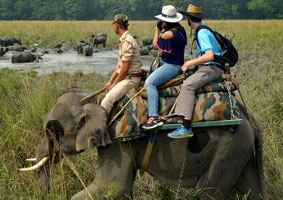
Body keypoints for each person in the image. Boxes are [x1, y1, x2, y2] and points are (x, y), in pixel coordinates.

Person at [167, 4, 223, 139]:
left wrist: (189, 63)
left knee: (188, 85)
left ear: (188, 18)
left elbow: (209, 56)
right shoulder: (200, 30)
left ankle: (186, 126)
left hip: (211, 68)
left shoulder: (202, 32)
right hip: (207, 67)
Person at [142, 5, 187, 130]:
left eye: (163, 20)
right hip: (176, 62)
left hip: (172, 65)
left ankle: (154, 117)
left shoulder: (168, 34)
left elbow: (156, 45)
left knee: (150, 83)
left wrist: (157, 30)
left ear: (166, 21)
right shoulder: (181, 30)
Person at [101, 14, 142, 114]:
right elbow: (119, 65)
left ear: (116, 26)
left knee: (107, 100)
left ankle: (101, 128)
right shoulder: (124, 39)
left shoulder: (127, 41)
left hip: (131, 79)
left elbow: (125, 69)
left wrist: (114, 85)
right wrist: (111, 81)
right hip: (126, 77)